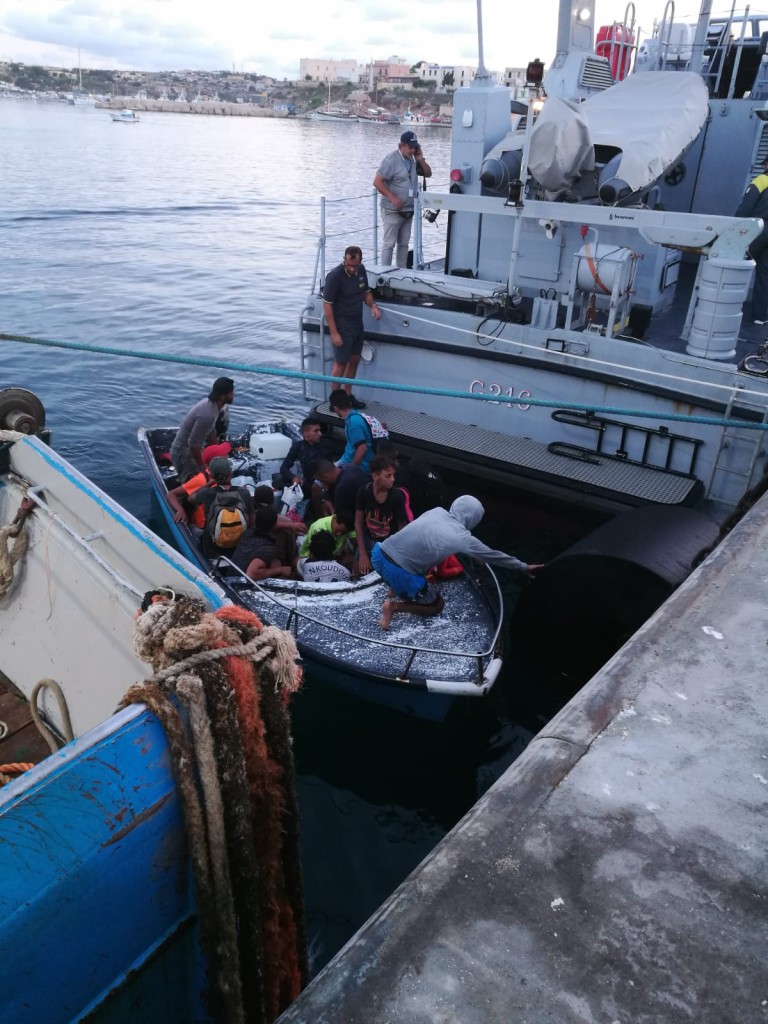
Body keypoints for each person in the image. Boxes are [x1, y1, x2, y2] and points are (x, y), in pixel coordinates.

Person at [371, 495, 544, 630]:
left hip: (379, 555)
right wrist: (523, 566)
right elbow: (494, 556)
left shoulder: (437, 511)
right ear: (474, 519)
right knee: (437, 606)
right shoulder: (462, 537)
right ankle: (393, 607)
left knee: (419, 555)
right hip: (400, 573)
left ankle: (394, 589)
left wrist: (476, 555)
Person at [322, 245, 382, 408]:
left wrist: (373, 306)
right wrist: (334, 332)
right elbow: (327, 305)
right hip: (342, 324)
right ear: (344, 260)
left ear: (360, 261)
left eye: (355, 265)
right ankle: (335, 400)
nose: (352, 268)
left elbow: (365, 293)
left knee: (354, 359)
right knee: (340, 363)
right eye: (349, 264)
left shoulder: (361, 270)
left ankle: (347, 395)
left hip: (357, 322)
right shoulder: (334, 276)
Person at [373, 130, 432, 268]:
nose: (413, 150)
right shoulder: (391, 160)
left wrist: (421, 159)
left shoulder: (413, 159)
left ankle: (401, 271)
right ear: (402, 145)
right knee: (389, 243)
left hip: (408, 210)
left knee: (404, 244)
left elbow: (428, 173)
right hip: (392, 210)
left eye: (415, 148)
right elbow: (377, 182)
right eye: (410, 147)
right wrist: (393, 198)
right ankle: (385, 271)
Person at [170, 377, 235, 482]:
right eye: (231, 393)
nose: (233, 395)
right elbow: (193, 444)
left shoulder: (214, 406)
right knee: (194, 483)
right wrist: (202, 466)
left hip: (194, 447)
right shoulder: (207, 415)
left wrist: (218, 452)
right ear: (222, 396)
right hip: (184, 452)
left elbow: (211, 430)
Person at [188, 455, 254, 556]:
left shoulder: (207, 493)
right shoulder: (244, 492)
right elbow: (251, 522)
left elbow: (190, 498)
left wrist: (209, 483)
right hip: (239, 546)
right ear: (230, 473)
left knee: (192, 526)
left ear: (211, 476)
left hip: (212, 548)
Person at [355, 455, 409, 575]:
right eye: (388, 476)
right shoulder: (364, 491)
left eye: (393, 475)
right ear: (375, 476)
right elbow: (358, 523)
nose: (393, 479)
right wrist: (363, 553)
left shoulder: (396, 496)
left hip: (388, 543)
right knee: (357, 569)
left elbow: (402, 527)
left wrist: (395, 554)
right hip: (368, 539)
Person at [167, 441, 232, 528]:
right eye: (225, 456)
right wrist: (180, 510)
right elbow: (171, 494)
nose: (228, 456)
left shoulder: (225, 475)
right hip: (204, 525)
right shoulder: (201, 479)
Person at [278, 417, 340, 508]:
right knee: (278, 481)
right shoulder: (298, 447)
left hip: (326, 483)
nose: (320, 434)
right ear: (306, 434)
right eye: (316, 431)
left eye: (320, 430)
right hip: (307, 484)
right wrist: (293, 477)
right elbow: (284, 468)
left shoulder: (327, 444)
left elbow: (342, 459)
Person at [735, 154, 768, 324]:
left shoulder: (761, 180)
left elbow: (745, 209)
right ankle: (760, 317)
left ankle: (731, 306)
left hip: (758, 230)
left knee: (739, 265)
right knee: (765, 274)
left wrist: (734, 229)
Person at [232, 506, 293, 581]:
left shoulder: (247, 533)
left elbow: (268, 524)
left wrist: (291, 525)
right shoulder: (268, 549)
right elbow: (251, 573)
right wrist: (280, 569)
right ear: (274, 525)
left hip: (230, 576)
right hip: (241, 584)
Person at [329, 388, 375, 472]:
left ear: (335, 408)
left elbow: (362, 448)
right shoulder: (358, 415)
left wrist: (352, 470)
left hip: (360, 467)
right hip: (346, 459)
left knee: (319, 482)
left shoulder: (353, 424)